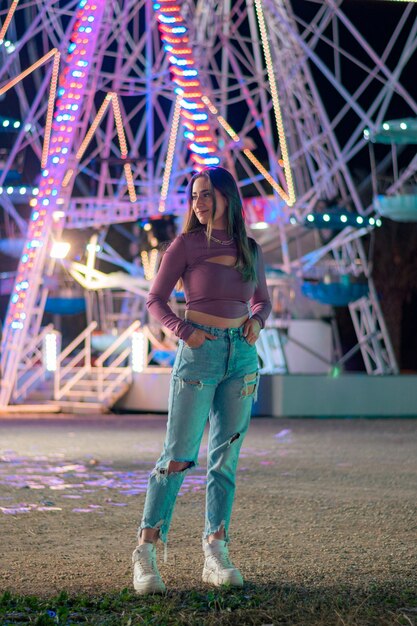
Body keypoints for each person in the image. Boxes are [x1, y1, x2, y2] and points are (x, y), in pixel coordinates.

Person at [132, 166, 271, 594]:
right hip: (199, 354)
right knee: (177, 456)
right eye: (195, 196)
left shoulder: (249, 248)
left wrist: (258, 321)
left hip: (241, 358)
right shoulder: (186, 244)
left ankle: (215, 549)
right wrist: (185, 331)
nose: (199, 202)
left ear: (228, 196)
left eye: (207, 194)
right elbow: (155, 299)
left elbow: (263, 299)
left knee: (224, 461)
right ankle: (146, 553)